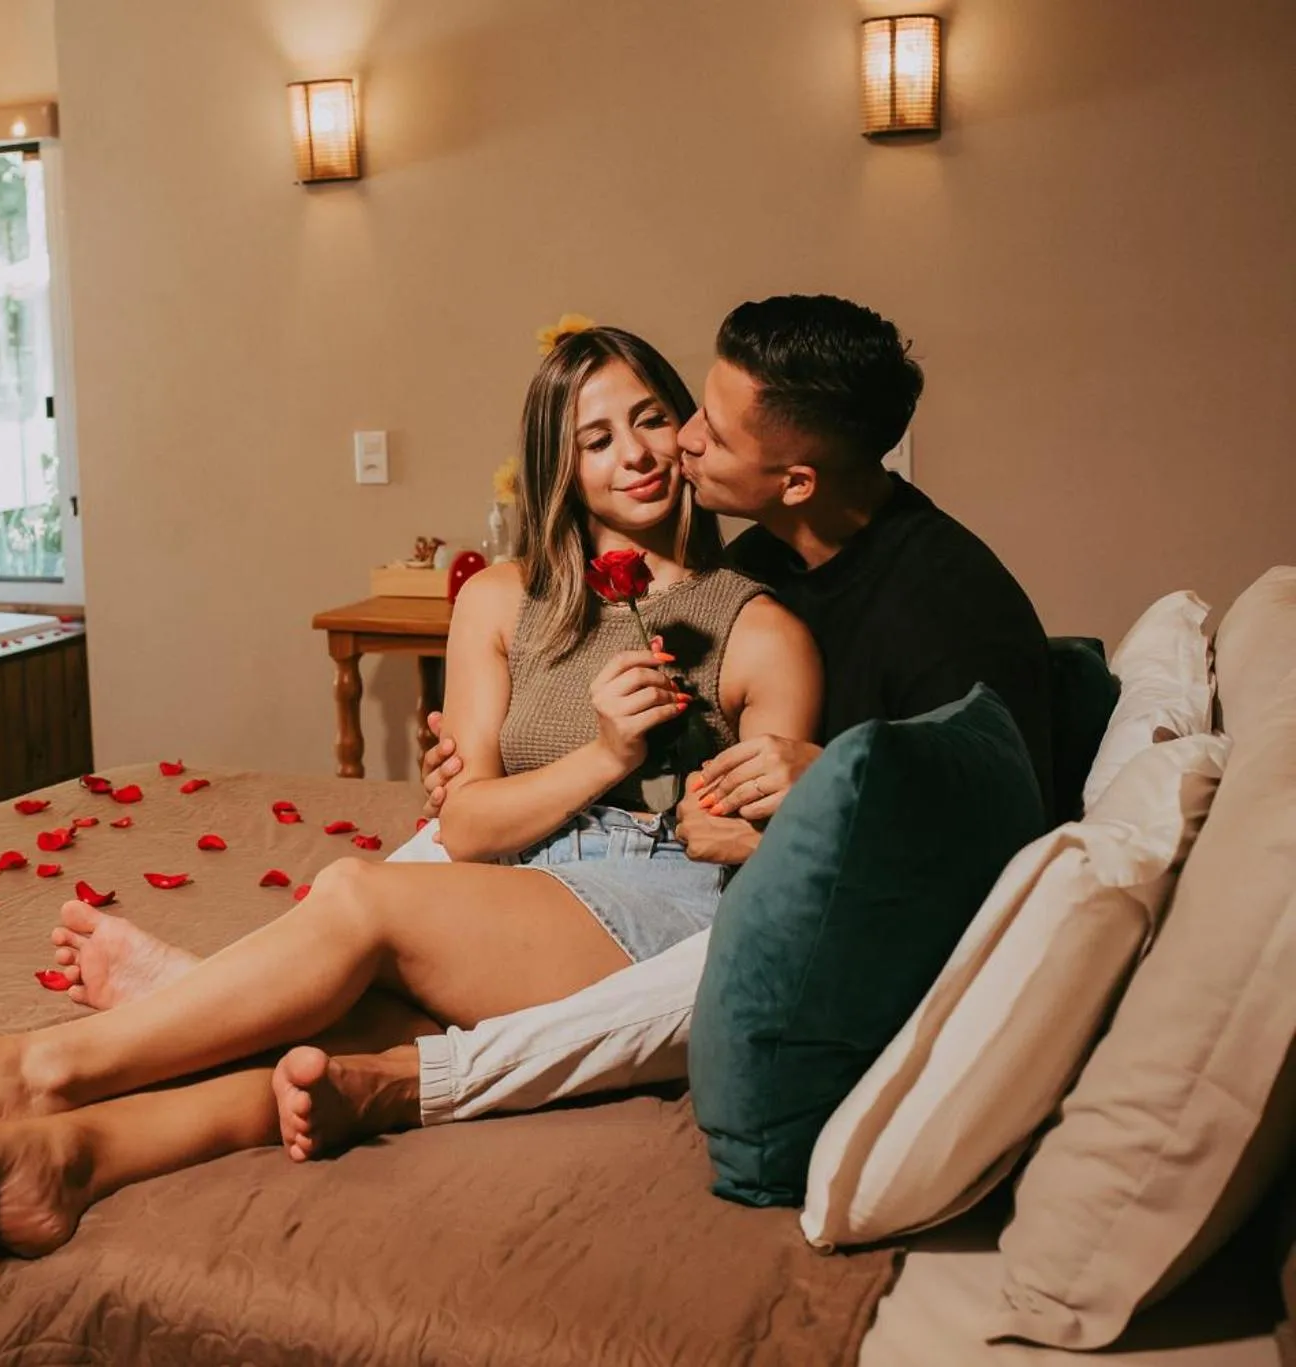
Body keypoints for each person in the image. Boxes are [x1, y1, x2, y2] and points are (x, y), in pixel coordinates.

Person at [0, 325, 823, 1254]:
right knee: (334, 1056)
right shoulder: (500, 599)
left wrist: (641, 775)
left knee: (358, 895)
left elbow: (759, 855)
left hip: (653, 902)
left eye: (650, 419)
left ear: (684, 429)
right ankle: (70, 1161)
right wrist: (600, 753)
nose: (634, 454)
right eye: (596, 437)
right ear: (561, 465)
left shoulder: (757, 628)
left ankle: (47, 1069)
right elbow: (463, 824)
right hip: (511, 883)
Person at [303, 293, 1057, 1145]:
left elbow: (1004, 843)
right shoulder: (764, 553)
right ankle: (271, 1025)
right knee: (394, 893)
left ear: (795, 479)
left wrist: (832, 796)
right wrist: (484, 770)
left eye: (709, 431)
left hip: (831, 928)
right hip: (692, 866)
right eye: (693, 407)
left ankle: (422, 1079)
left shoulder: (950, 608)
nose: (684, 440)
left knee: (397, 919)